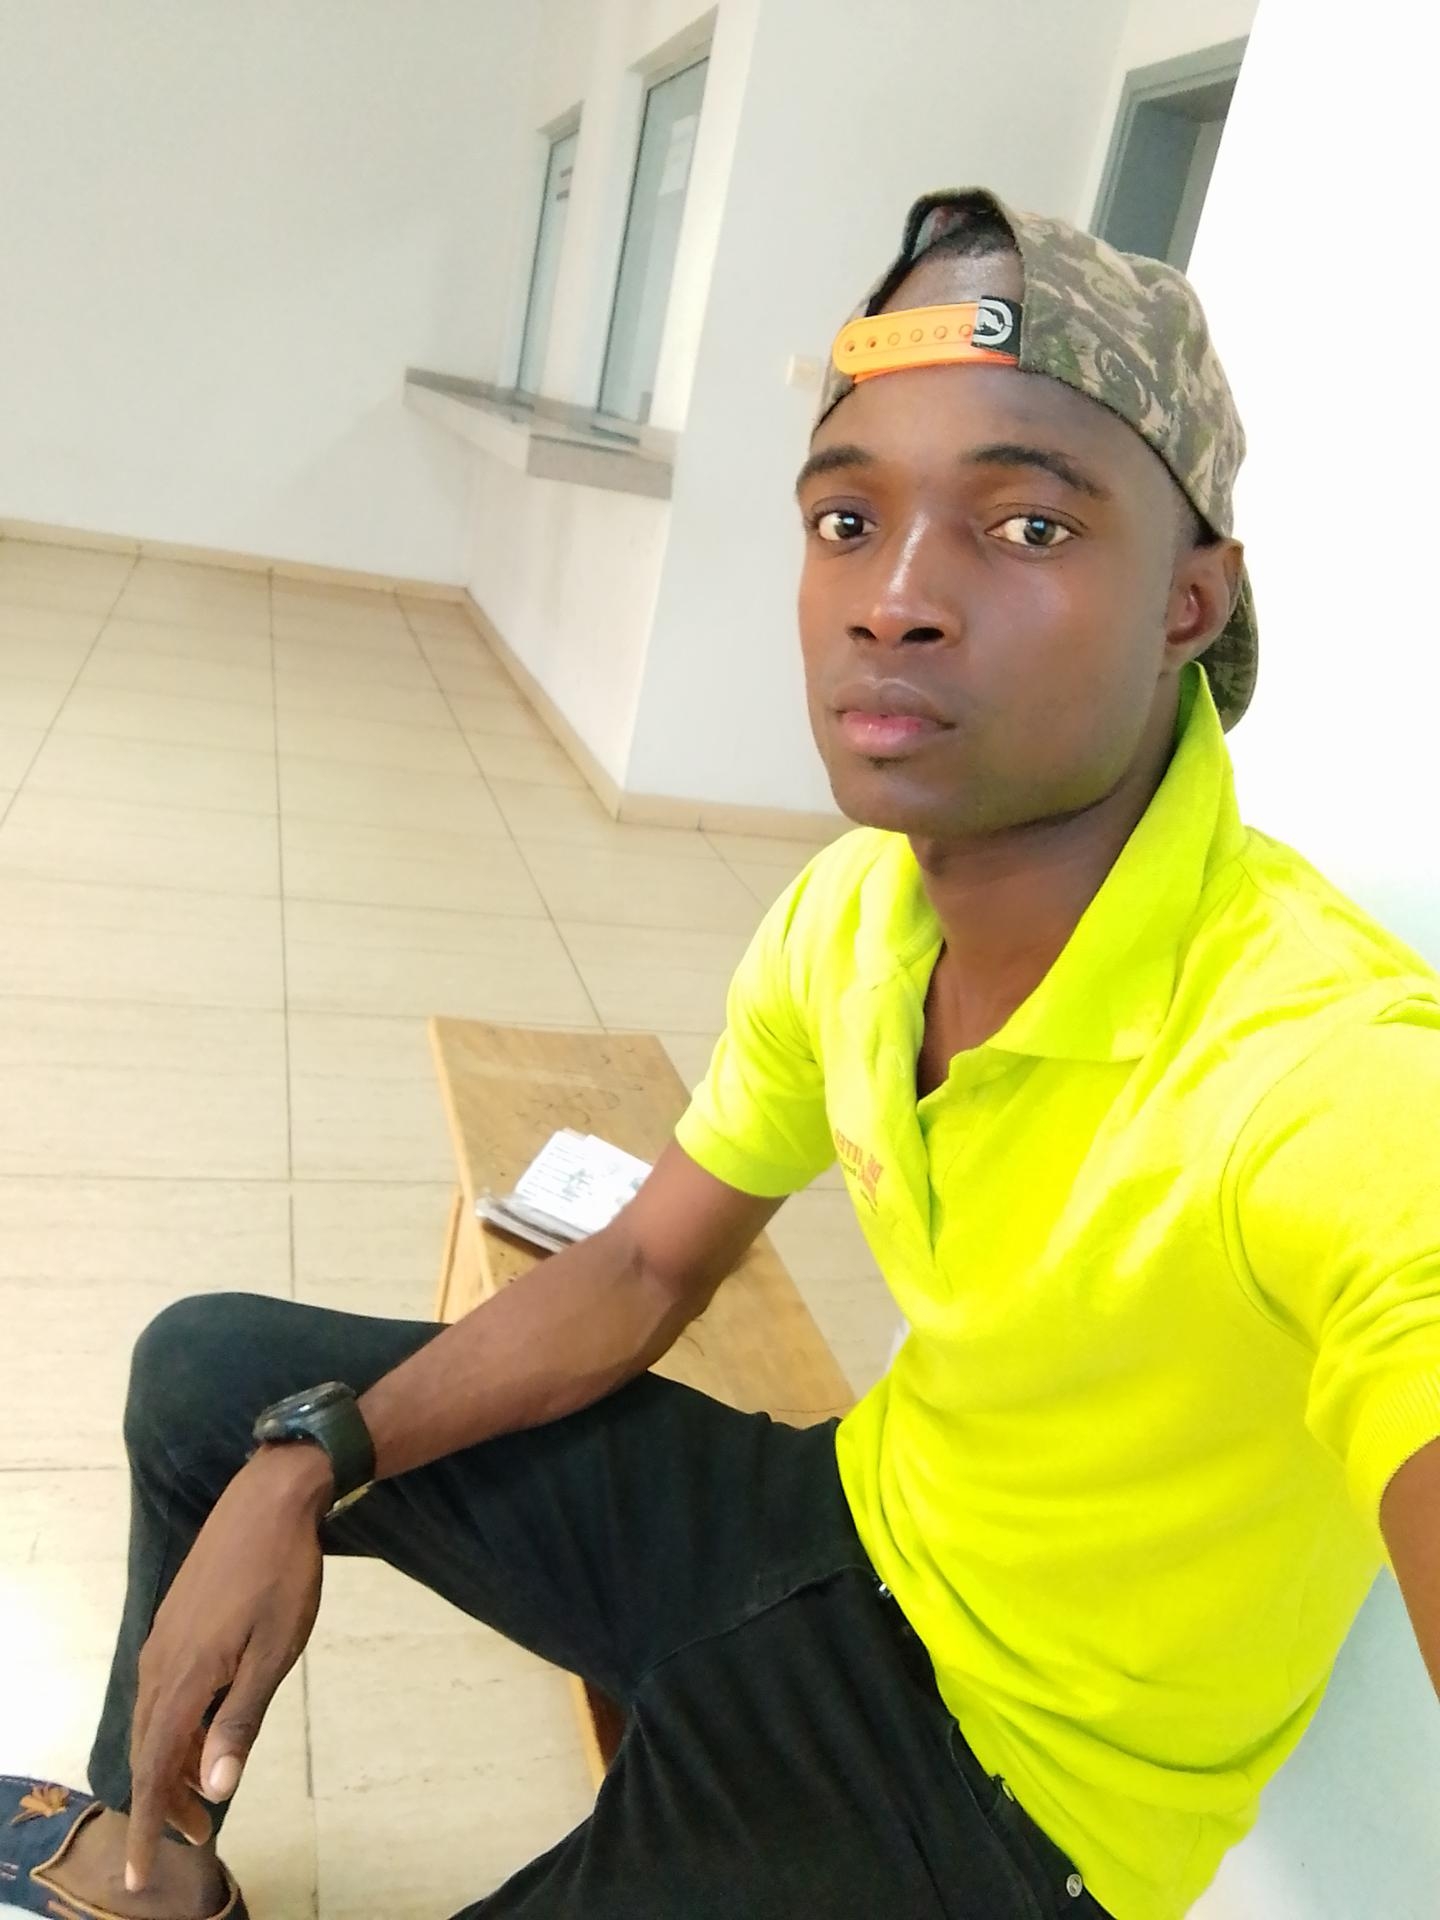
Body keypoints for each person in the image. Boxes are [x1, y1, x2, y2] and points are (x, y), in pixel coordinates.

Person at [4, 186, 1438, 1920]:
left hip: (1001, 1803)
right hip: (842, 1524)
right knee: (205, 1383)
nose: (895, 599)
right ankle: (153, 1868)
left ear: (1189, 604)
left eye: (1028, 525)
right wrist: (316, 1452)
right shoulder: (856, 916)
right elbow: (639, 1267)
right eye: (848, 516)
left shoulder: (1330, 1072)